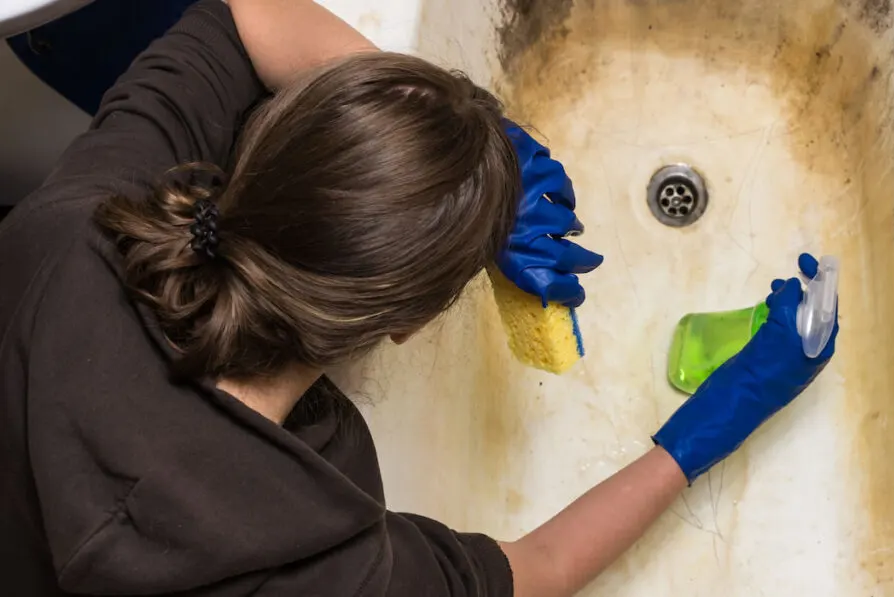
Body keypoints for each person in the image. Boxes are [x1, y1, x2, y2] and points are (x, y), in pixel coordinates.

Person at [0, 1, 839, 596]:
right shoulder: (317, 552)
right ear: (406, 324)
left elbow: (239, 15)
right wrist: (708, 427)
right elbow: (535, 569)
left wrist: (455, 136)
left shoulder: (85, 219)